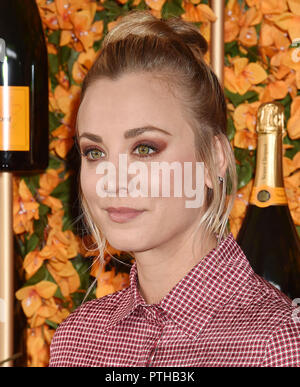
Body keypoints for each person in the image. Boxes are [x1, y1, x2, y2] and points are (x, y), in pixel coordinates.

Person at [49, 9, 300, 367]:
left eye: (145, 148)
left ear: (214, 158)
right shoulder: (77, 339)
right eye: (95, 152)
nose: (114, 179)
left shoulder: (278, 345)